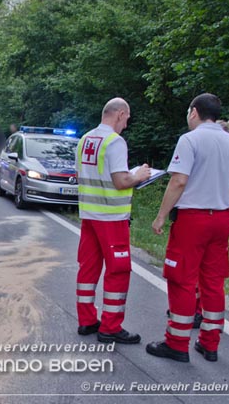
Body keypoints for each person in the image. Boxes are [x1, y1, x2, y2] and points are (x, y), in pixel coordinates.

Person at [147, 94, 229, 363]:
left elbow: (179, 181)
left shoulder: (190, 140)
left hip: (192, 219)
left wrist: (161, 215)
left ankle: (177, 342)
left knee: (181, 278)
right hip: (220, 220)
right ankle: (209, 342)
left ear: (194, 112)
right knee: (213, 282)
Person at [75, 97, 151, 344]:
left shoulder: (85, 139)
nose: (126, 124)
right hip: (111, 217)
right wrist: (138, 175)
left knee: (88, 267)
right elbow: (120, 181)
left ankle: (86, 321)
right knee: (118, 270)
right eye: (127, 118)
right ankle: (110, 326)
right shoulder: (115, 142)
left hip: (89, 215)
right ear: (119, 114)